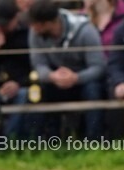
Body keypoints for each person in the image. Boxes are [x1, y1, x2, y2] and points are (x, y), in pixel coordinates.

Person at [27, 0, 106, 140]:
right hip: (54, 81)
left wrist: (76, 78)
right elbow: (38, 65)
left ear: (48, 23)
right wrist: (51, 76)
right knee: (38, 90)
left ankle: (94, 139)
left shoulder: (85, 31)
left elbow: (98, 67)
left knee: (93, 90)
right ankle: (46, 140)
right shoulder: (35, 34)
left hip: (82, 81)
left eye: (36, 25)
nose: (33, 29)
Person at [0, 0, 32, 139]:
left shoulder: (26, 35)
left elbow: (33, 67)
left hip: (21, 83)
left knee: (24, 95)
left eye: (5, 24)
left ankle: (8, 139)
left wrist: (19, 83)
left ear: (16, 18)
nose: (1, 27)